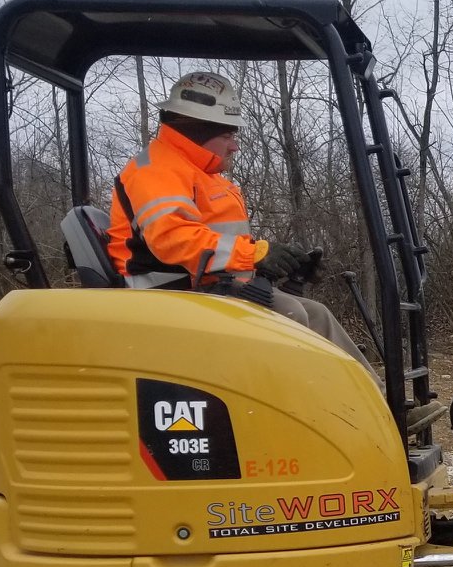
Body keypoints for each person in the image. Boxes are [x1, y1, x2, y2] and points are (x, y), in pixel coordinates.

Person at [107, 71, 366, 362]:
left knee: (318, 314)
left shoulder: (200, 173)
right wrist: (254, 255)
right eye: (228, 135)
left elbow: (222, 243)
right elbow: (172, 239)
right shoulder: (155, 171)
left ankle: (381, 403)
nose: (235, 146)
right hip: (165, 294)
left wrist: (281, 263)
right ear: (197, 132)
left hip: (202, 287)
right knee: (290, 316)